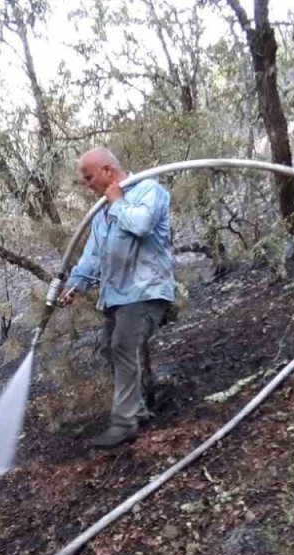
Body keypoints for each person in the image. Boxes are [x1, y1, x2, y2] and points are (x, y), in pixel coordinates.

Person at [60, 147, 175, 448]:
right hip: (118, 296)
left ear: (108, 171)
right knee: (110, 350)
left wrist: (118, 203)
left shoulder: (150, 190)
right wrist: (76, 283)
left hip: (146, 290)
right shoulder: (102, 212)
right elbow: (93, 255)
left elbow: (142, 225)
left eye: (89, 177)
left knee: (123, 345)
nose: (87, 184)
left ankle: (124, 423)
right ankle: (136, 409)